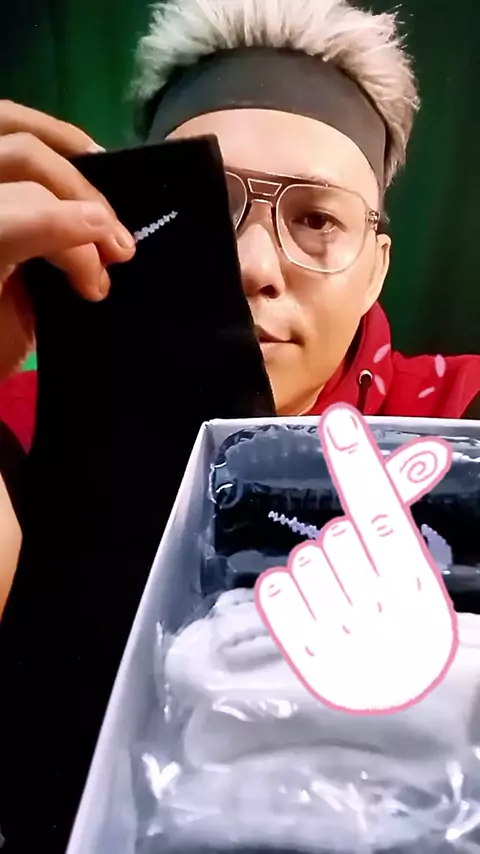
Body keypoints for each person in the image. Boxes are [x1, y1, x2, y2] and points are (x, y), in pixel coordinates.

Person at [0, 0, 479, 612]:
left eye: (317, 219)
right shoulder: (22, 429)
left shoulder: (459, 423)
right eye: (208, 204)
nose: (253, 267)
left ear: (374, 273)